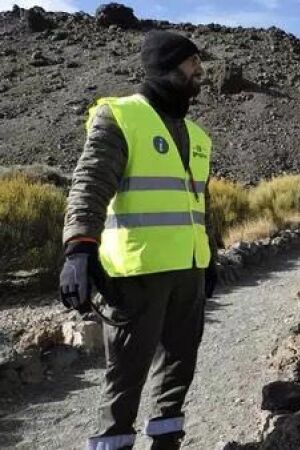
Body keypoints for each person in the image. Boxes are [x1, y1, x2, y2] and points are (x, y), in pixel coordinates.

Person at [59, 30, 218, 449]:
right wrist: (79, 248)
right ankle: (113, 443)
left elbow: (201, 205)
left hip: (188, 271)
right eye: (191, 62)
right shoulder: (122, 117)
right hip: (136, 273)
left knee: (178, 369)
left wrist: (210, 258)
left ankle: (167, 441)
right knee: (126, 377)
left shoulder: (198, 136)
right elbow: (90, 183)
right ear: (166, 67)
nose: (199, 70)